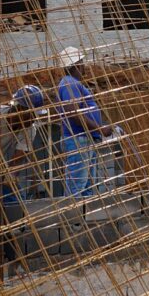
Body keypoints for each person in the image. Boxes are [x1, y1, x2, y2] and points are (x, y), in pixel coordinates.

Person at [55, 47, 113, 197]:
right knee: (77, 187)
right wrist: (100, 129)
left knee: (87, 186)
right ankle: (74, 220)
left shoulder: (73, 83)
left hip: (85, 139)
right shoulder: (70, 83)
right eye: (82, 62)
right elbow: (73, 112)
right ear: (77, 64)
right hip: (79, 139)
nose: (84, 66)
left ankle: (84, 220)